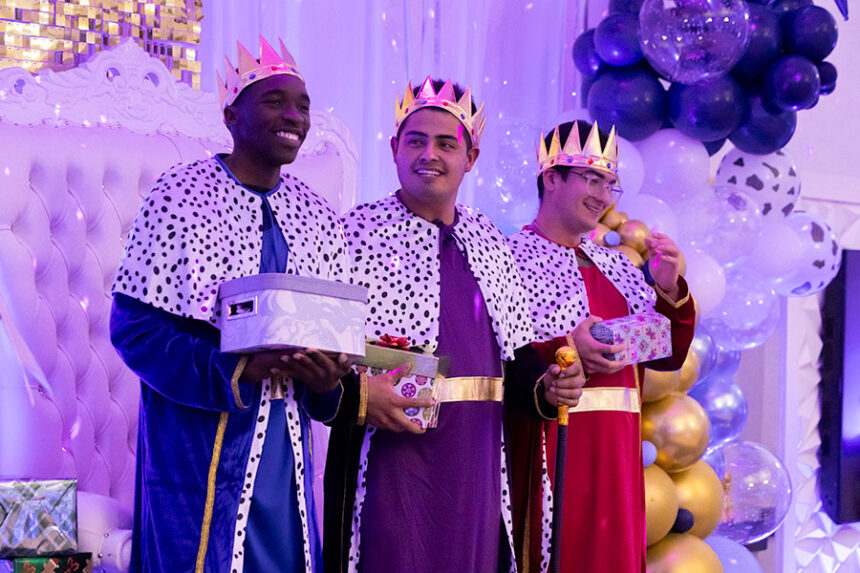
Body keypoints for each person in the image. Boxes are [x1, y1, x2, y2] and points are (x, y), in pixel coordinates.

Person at [323, 77, 585, 573]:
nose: (430, 154)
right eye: (416, 140)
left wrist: (548, 386)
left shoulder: (488, 238)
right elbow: (322, 357)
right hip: (389, 457)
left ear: (471, 157)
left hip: (477, 458)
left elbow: (517, 358)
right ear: (395, 148)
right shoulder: (351, 234)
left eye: (447, 143)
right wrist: (360, 395)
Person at [110, 37, 350, 573]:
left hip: (287, 447)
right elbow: (134, 330)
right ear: (231, 114)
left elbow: (335, 335)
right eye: (274, 101)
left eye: (303, 105)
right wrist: (238, 366)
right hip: (199, 445)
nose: (293, 116)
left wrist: (327, 378)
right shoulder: (178, 195)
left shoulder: (316, 214)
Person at [506, 120, 697, 572]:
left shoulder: (621, 268)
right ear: (551, 178)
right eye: (592, 179)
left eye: (610, 184)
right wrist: (565, 350)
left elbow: (667, 352)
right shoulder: (508, 258)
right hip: (554, 446)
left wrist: (669, 289)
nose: (604, 195)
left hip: (619, 453)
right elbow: (503, 356)